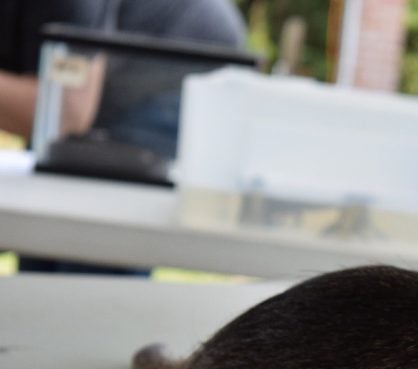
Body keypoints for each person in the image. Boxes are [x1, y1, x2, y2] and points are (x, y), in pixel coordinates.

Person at [0, 0, 246, 275]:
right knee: (42, 238)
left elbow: (67, 111)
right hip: (100, 86)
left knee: (91, 244)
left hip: (184, 69)